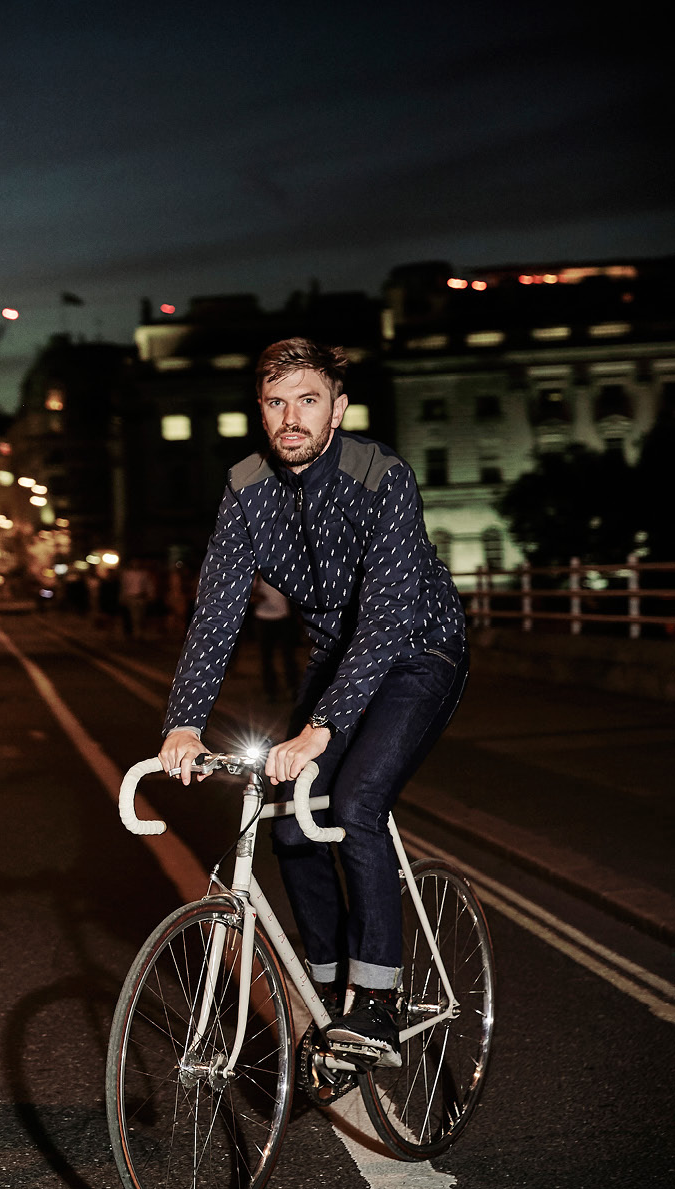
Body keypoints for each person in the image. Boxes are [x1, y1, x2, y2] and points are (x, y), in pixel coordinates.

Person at [157, 338, 468, 1066]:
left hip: (420, 651)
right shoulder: (246, 487)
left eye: (308, 399)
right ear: (261, 411)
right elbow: (218, 612)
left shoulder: (381, 475)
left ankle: (378, 1001)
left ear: (338, 409)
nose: (291, 417)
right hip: (335, 662)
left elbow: (388, 617)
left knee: (355, 802)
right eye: (276, 402)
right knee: (293, 822)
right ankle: (327, 994)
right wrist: (184, 722)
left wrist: (321, 726)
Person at [249, 574, 299, 702]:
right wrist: (257, 597)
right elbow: (249, 595)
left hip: (283, 617)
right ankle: (270, 690)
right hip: (263, 618)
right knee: (266, 657)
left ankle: (293, 687)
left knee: (288, 655)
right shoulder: (258, 576)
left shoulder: (284, 573)